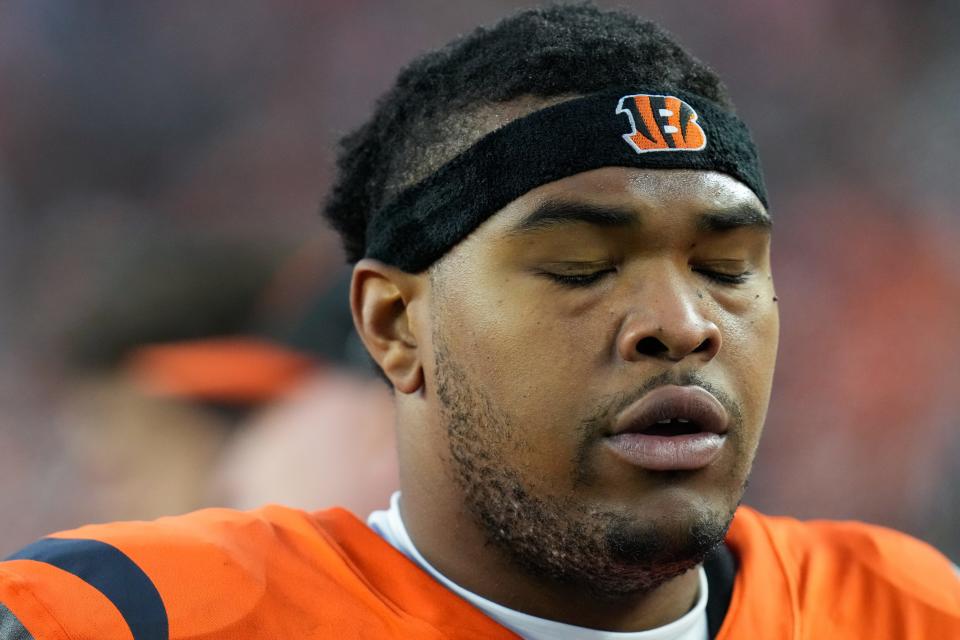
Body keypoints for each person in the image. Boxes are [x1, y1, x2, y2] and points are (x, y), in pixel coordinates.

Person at [1, 5, 958, 639]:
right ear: (393, 326)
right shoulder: (121, 617)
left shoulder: (907, 610)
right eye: (580, 266)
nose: (682, 322)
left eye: (726, 268)